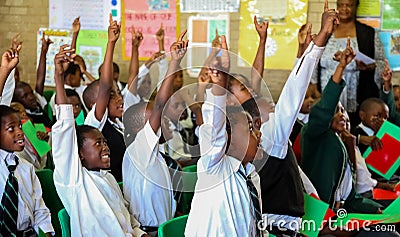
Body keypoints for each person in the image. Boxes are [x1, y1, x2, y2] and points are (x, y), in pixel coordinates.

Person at [52, 28, 149, 237]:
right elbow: (64, 125)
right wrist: (59, 78)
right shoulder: (75, 179)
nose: (105, 147)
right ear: (78, 154)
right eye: (98, 144)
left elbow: (127, 221)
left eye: (104, 142)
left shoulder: (108, 178)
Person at [185, 33, 265, 236]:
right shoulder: (214, 168)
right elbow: (215, 127)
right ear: (229, 140)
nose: (258, 135)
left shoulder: (250, 176)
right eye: (250, 130)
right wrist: (219, 84)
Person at [301, 37, 384, 215]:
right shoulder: (314, 134)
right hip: (320, 215)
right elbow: (325, 106)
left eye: (342, 110)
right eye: (335, 110)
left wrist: (378, 210)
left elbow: (351, 197)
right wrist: (341, 68)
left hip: (342, 212)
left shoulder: (343, 142)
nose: (341, 114)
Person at [122, 30, 188, 236]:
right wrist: (173, 64)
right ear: (138, 129)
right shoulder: (139, 150)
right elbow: (160, 104)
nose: (158, 122)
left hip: (161, 227)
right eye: (151, 119)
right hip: (148, 232)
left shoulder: (152, 153)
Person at [0, 46, 54, 237]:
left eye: (20, 126)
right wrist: (5, 71)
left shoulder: (26, 168)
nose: (20, 132)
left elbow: (40, 209)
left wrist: (46, 232)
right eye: (11, 129)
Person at [311, 0, 386, 127]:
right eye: (341, 5)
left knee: (352, 128)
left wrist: (370, 67)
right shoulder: (327, 31)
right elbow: (314, 60)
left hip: (358, 96)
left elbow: (382, 64)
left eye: (349, 5)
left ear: (356, 6)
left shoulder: (368, 33)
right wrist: (314, 86)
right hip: (327, 93)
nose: (344, 9)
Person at [82, 16, 125, 182]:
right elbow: (105, 85)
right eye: (111, 96)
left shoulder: (119, 124)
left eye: (118, 93)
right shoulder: (94, 124)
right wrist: (111, 43)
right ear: (95, 105)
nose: (119, 99)